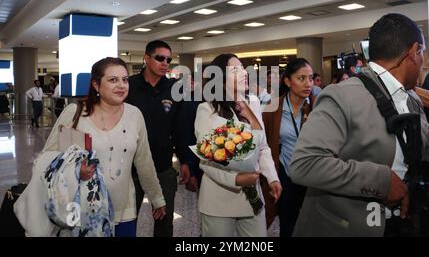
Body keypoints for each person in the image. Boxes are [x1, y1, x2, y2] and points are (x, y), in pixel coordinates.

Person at [289, 13, 429, 237]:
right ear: (414, 52)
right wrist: (381, 181)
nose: (423, 63)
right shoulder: (341, 96)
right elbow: (305, 164)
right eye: (423, 54)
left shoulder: (411, 99)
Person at [38, 57, 166, 236]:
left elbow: (144, 160)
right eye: (113, 80)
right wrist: (75, 171)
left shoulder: (134, 115)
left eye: (125, 79)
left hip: (123, 211)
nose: (121, 85)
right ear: (96, 85)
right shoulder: (75, 114)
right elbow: (47, 157)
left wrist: (157, 198)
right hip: (82, 210)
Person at [194, 53, 282, 237]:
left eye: (242, 67)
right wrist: (236, 180)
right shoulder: (207, 109)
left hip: (252, 198)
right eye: (235, 69)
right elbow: (207, 160)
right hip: (219, 201)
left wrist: (272, 177)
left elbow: (263, 146)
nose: (244, 72)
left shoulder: (254, 102)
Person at [126, 40, 190, 237]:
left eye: (169, 59)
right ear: (146, 58)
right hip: (131, 169)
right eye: (160, 58)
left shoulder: (174, 89)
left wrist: (185, 161)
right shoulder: (129, 86)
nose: (165, 63)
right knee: (127, 220)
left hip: (163, 168)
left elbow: (180, 129)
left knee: (164, 223)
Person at [262, 58, 313, 236]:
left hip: (313, 178)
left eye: (311, 78)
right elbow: (265, 145)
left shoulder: (318, 107)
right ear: (287, 81)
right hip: (286, 175)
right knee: (288, 225)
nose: (308, 84)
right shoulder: (272, 109)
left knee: (310, 226)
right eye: (301, 78)